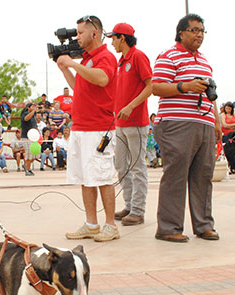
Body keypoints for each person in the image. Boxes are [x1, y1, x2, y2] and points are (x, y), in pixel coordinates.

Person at [151, 14, 222, 243]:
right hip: (176, 124)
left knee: (204, 176)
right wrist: (185, 86)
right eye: (194, 30)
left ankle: (204, 225)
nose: (199, 35)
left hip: (204, 123)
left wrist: (217, 122)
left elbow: (211, 96)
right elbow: (156, 87)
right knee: (176, 176)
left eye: (202, 31)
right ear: (181, 32)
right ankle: (168, 227)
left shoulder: (204, 61)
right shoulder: (168, 56)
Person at [56, 15, 119, 242]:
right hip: (80, 126)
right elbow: (79, 88)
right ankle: (91, 223)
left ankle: (110, 225)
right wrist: (65, 69)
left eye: (81, 33)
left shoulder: (106, 56)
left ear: (94, 34)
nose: (77, 37)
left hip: (98, 128)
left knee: (102, 176)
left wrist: (72, 63)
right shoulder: (86, 60)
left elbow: (102, 79)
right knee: (86, 177)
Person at [108, 22, 152, 226]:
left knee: (137, 166)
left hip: (136, 121)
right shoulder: (120, 61)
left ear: (122, 38)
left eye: (114, 38)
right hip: (120, 123)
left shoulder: (138, 56)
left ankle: (138, 209)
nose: (112, 43)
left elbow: (151, 86)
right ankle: (129, 204)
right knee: (121, 165)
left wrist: (131, 106)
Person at [20, 102, 39, 176]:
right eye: (32, 106)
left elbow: (35, 126)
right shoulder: (25, 114)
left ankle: (26, 165)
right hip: (26, 137)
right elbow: (26, 119)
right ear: (28, 107)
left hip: (33, 137)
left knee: (35, 154)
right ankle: (27, 169)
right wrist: (33, 111)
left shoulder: (33, 116)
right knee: (28, 154)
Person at [220, 102, 235, 173]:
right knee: (226, 151)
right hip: (226, 135)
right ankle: (227, 167)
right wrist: (234, 125)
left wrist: (234, 128)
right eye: (226, 108)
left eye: (229, 108)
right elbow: (224, 125)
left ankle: (234, 167)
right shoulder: (223, 115)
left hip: (234, 136)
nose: (227, 110)